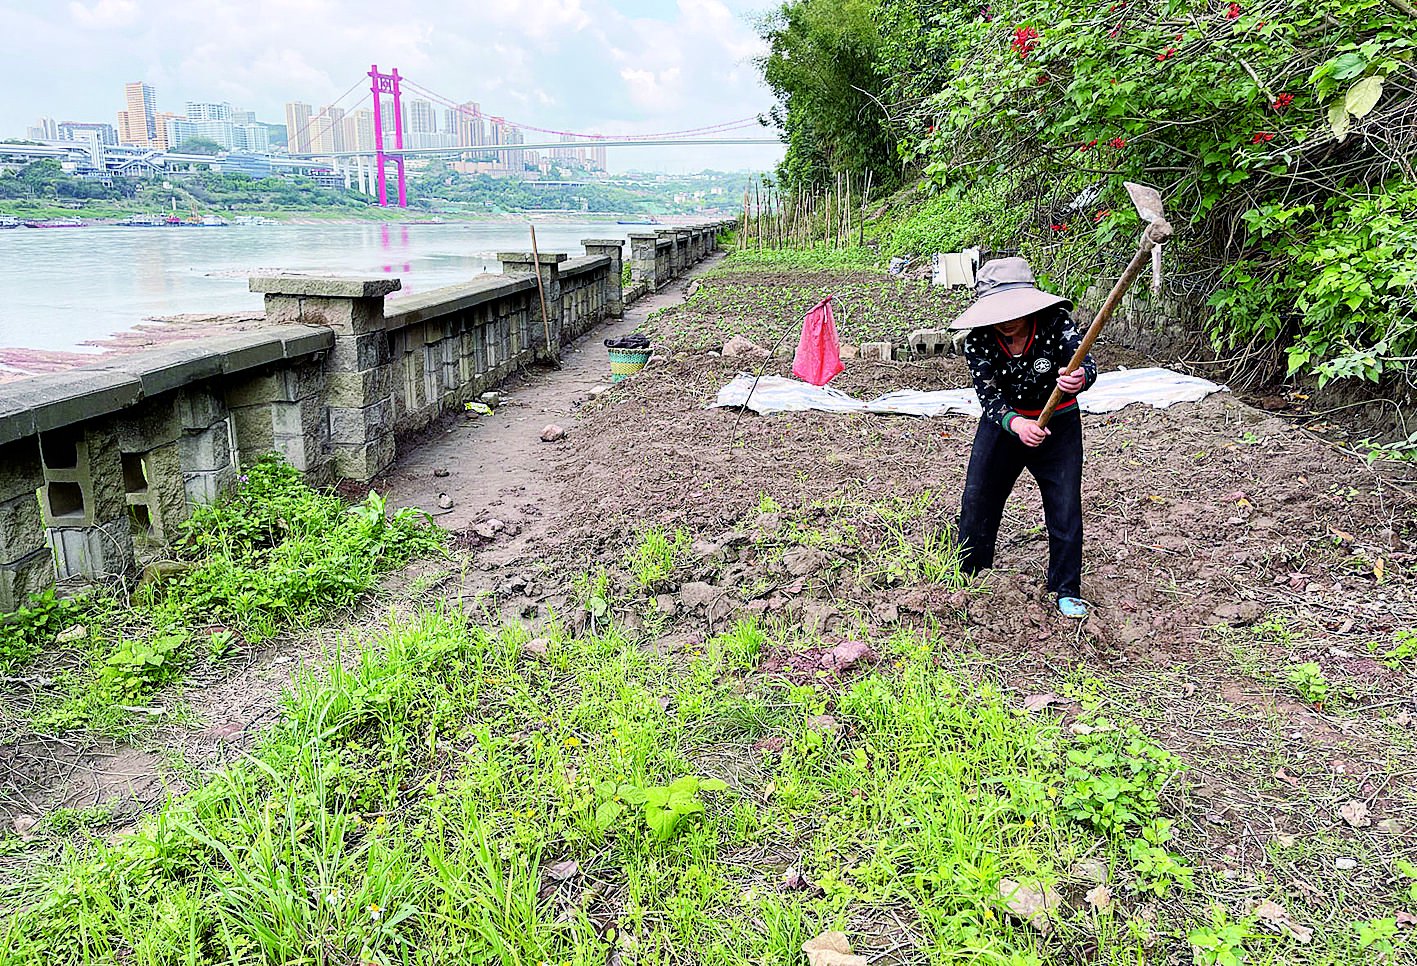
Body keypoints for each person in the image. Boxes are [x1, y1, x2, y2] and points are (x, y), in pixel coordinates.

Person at [951, 256, 1096, 618]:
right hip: (1005, 427)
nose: (1007, 318)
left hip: (1057, 426)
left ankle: (1065, 587)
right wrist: (1017, 424)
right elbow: (989, 397)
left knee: (1064, 507)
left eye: (1014, 308)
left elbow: (1086, 365)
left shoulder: (1055, 323)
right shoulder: (978, 342)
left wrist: (1078, 380)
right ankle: (971, 573)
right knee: (978, 499)